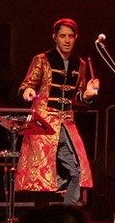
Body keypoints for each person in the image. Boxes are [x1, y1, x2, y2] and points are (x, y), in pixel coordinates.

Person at [18, 18, 97, 207]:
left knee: (78, 172)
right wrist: (28, 91)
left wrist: (86, 94)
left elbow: (77, 95)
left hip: (66, 124)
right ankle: (43, 218)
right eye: (63, 36)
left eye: (70, 36)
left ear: (76, 37)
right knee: (42, 177)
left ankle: (65, 215)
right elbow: (27, 84)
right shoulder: (42, 60)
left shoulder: (80, 64)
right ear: (55, 37)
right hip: (43, 124)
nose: (67, 40)